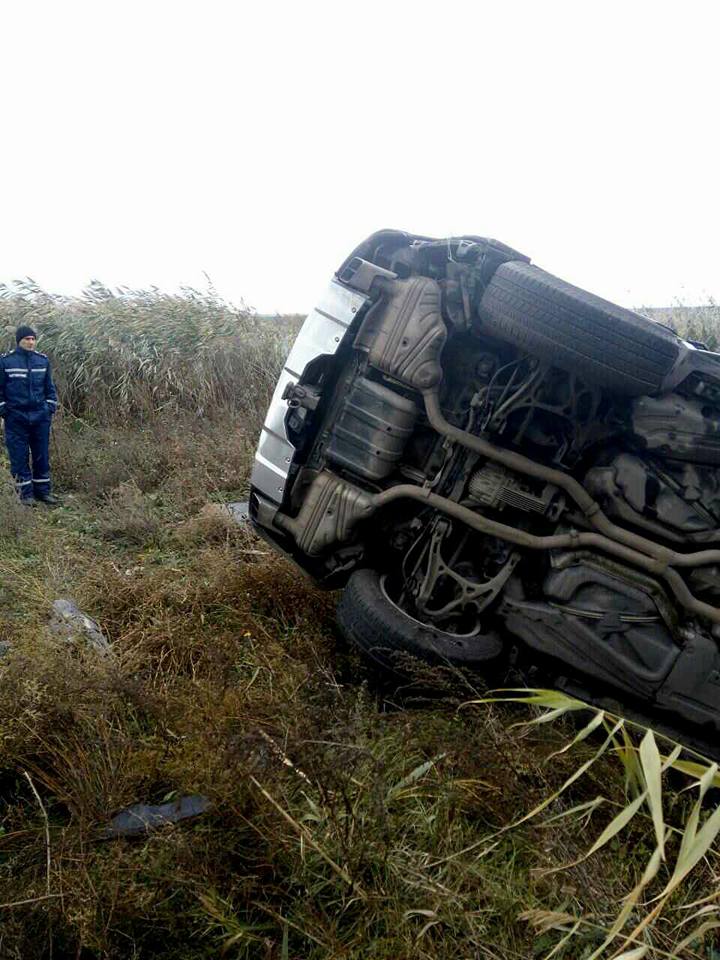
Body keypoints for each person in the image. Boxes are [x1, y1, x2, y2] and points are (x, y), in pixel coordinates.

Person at [0, 325, 59, 505]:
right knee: (19, 456)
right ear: (19, 341)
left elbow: (50, 388)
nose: (31, 342)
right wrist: (5, 410)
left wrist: (50, 407)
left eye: (33, 339)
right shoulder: (6, 361)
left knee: (41, 455)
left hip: (40, 417)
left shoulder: (42, 361)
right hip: (16, 418)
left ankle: (43, 492)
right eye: (27, 339)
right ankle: (25, 495)